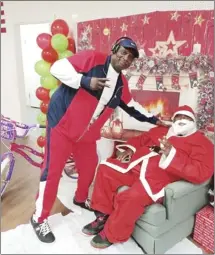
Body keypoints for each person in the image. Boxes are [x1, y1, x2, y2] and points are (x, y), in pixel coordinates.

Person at [30, 36, 167, 243]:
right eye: (123, 52)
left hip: (86, 134)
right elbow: (57, 68)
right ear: (114, 50)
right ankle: (39, 217)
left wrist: (156, 121)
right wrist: (85, 81)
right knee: (52, 171)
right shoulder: (92, 59)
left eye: (130, 57)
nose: (126, 58)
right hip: (62, 126)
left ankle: (79, 199)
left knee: (89, 166)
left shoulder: (121, 84)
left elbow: (132, 107)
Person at [82, 105, 214, 249]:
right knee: (105, 169)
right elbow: (140, 140)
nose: (182, 119)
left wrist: (171, 153)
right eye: (179, 117)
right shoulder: (161, 131)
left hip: (157, 180)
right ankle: (103, 215)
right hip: (135, 168)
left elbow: (201, 173)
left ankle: (112, 234)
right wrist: (130, 149)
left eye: (186, 117)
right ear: (173, 120)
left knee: (131, 197)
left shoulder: (203, 144)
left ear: (193, 121)